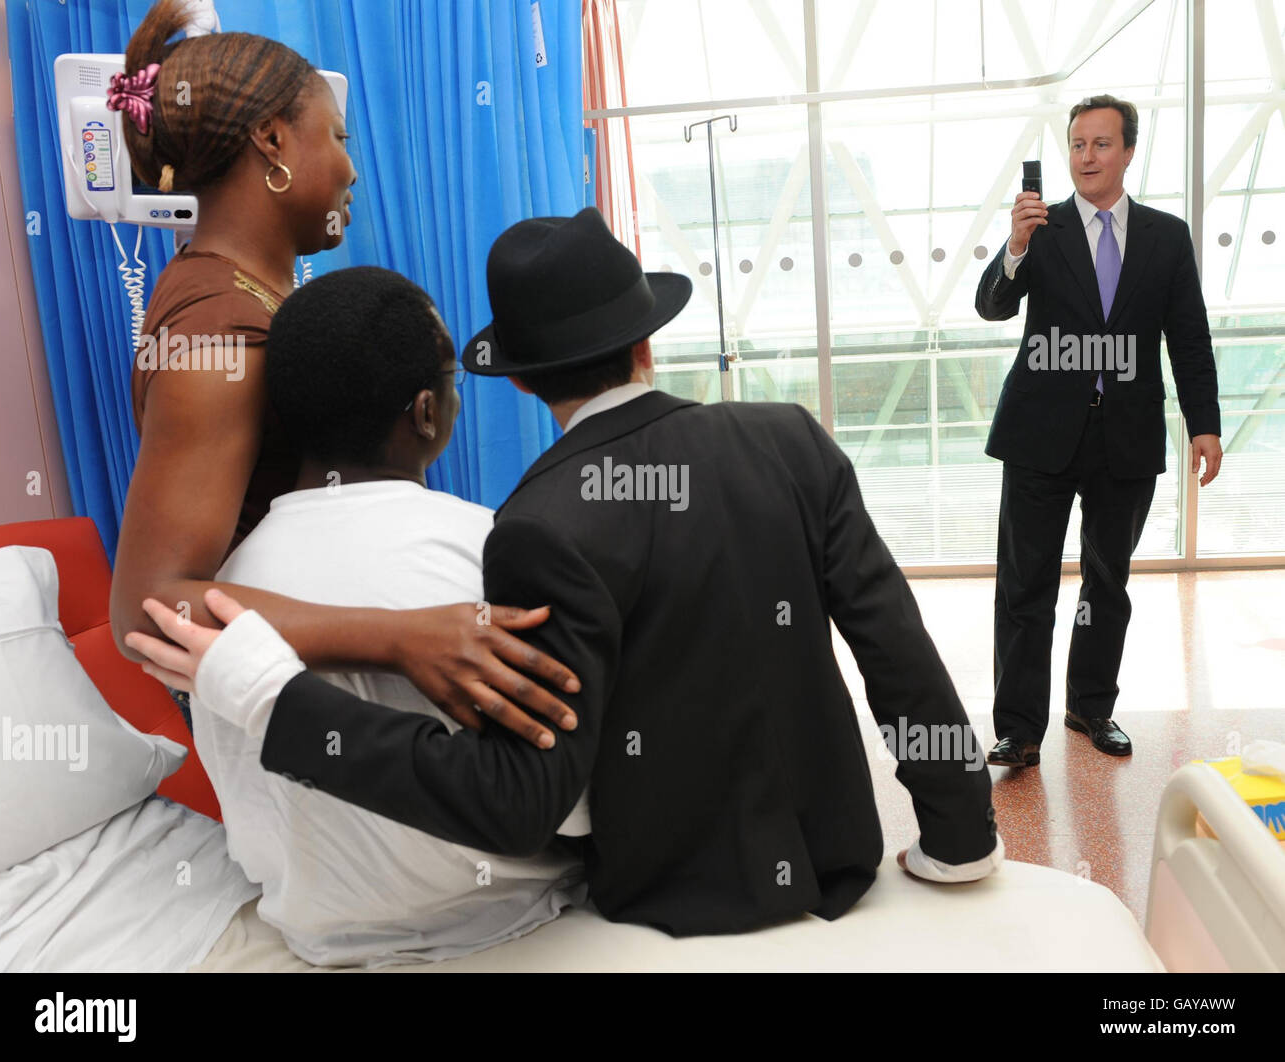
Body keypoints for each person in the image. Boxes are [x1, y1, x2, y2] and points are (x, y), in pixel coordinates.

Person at [131, 207, 1002, 939]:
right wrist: (958, 836)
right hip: (835, 860)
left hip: (666, 906)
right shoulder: (788, 439)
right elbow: (896, 648)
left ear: (520, 382)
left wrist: (273, 695)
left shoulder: (534, 524)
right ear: (646, 339)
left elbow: (526, 795)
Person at [109, 0, 578, 747]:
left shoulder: (259, 294)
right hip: (300, 726)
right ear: (272, 142)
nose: (353, 167)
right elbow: (147, 610)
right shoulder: (216, 338)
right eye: (337, 136)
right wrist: (400, 638)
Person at [185, 266, 585, 965]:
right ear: (426, 412)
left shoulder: (223, 595)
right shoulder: (494, 547)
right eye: (453, 382)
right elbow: (571, 799)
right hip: (523, 922)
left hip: (318, 939)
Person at [976, 95, 1222, 768]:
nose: (1087, 156)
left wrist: (1205, 424)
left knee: (1107, 582)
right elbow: (991, 306)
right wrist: (1015, 247)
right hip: (1039, 435)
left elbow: (1189, 337)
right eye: (1078, 145)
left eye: (1101, 144)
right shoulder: (1042, 227)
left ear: (1129, 151)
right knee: (1025, 584)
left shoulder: (1166, 237)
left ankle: (1091, 706)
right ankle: (1019, 730)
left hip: (1128, 436)